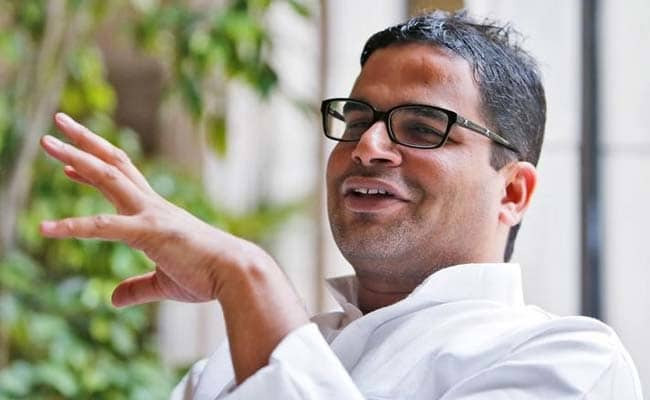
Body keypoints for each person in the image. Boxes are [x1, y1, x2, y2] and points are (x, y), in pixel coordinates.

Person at [39, 10, 643, 400]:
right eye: (356, 121)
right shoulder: (224, 368)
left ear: (512, 192)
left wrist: (248, 276)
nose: (368, 147)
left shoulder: (569, 362)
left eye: (422, 126)